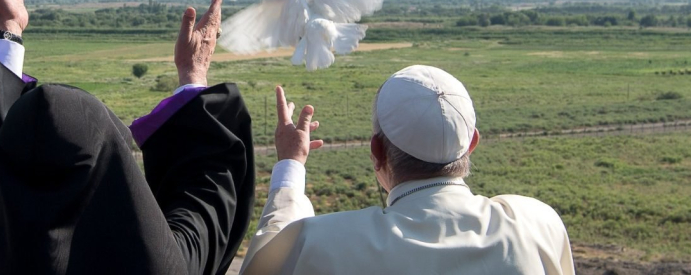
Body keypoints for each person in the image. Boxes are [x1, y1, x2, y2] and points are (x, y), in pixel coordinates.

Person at [0, 0, 255, 275]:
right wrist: (193, 73)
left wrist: (8, 29)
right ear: (107, 163)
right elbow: (203, 203)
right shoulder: (151, 264)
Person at [241, 65, 575, 275]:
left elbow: (264, 262)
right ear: (472, 143)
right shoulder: (536, 225)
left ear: (377, 152)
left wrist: (290, 167)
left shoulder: (323, 243)